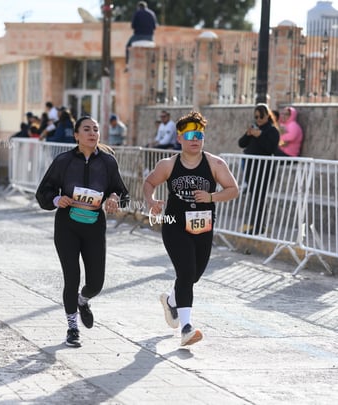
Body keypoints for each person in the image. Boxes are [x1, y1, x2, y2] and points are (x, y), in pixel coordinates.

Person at [143, 110, 239, 346]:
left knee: (193, 275)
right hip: (174, 224)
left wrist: (211, 197)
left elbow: (233, 189)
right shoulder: (168, 164)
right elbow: (149, 183)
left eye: (199, 134)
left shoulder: (216, 164)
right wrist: (152, 202)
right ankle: (186, 327)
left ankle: (172, 301)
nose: (195, 139)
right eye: (190, 135)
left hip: (203, 227)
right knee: (186, 272)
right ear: (179, 138)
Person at [35, 116, 130, 348]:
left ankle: (83, 300)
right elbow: (43, 193)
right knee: (72, 278)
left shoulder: (107, 162)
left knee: (96, 282)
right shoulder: (64, 161)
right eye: (86, 129)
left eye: (96, 129)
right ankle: (72, 327)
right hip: (67, 226)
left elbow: (122, 193)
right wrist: (58, 199)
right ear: (76, 135)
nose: (92, 133)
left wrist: (115, 197)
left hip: (94, 227)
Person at [238, 103, 280, 235]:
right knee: (253, 197)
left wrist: (259, 135)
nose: (258, 119)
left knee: (260, 197)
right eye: (256, 117)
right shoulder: (254, 128)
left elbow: (270, 148)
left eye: (261, 116)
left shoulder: (272, 131)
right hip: (251, 168)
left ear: (267, 116)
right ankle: (253, 225)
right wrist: (249, 133)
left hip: (264, 169)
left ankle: (259, 226)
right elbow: (241, 143)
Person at [125, 1, 158, 71]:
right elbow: (155, 27)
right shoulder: (152, 14)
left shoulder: (137, 13)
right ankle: (153, 65)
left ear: (138, 7)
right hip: (149, 38)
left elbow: (132, 26)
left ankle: (127, 65)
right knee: (153, 50)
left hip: (137, 37)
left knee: (127, 46)